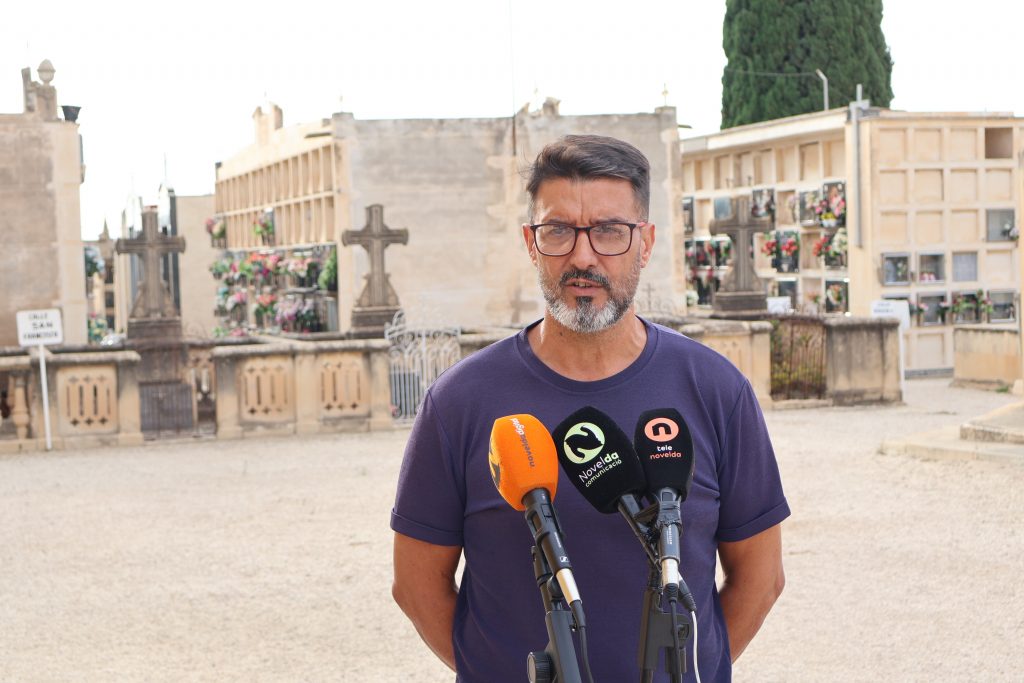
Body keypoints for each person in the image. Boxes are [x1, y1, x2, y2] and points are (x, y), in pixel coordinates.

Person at [391, 135, 789, 682]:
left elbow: (761, 579)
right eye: (558, 230)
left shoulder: (716, 390)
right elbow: (416, 585)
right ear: (531, 243)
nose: (583, 256)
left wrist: (685, 672)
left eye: (609, 231)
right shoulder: (459, 402)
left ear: (645, 243)